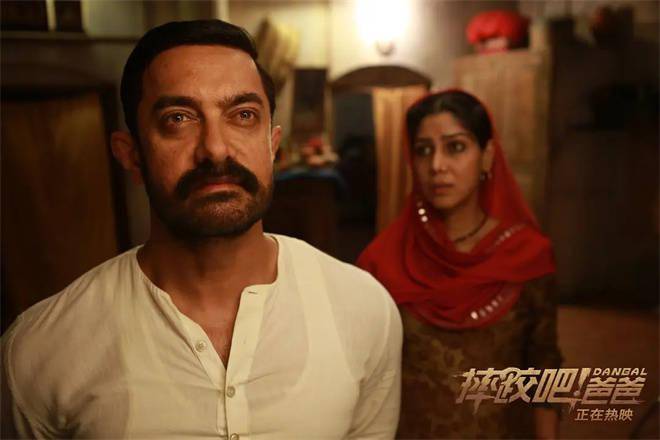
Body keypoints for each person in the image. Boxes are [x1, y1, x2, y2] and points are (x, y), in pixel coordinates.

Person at [2, 20, 402, 439]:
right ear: (132, 155)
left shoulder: (363, 310)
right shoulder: (40, 351)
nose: (215, 148)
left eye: (243, 115)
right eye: (178, 118)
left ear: (272, 145)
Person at [357, 90, 561, 438]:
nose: (437, 165)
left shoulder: (526, 256)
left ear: (487, 156)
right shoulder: (382, 262)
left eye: (455, 147)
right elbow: (365, 382)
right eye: (424, 150)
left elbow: (544, 370)